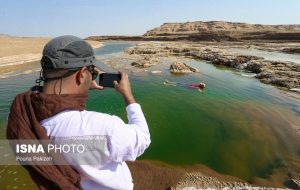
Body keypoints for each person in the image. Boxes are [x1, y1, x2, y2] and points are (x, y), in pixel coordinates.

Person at [7, 35, 151, 190]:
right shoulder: (105, 128)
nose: (93, 78)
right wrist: (128, 96)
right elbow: (142, 140)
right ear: (81, 74)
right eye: (92, 73)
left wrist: (81, 84)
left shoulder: (23, 113)